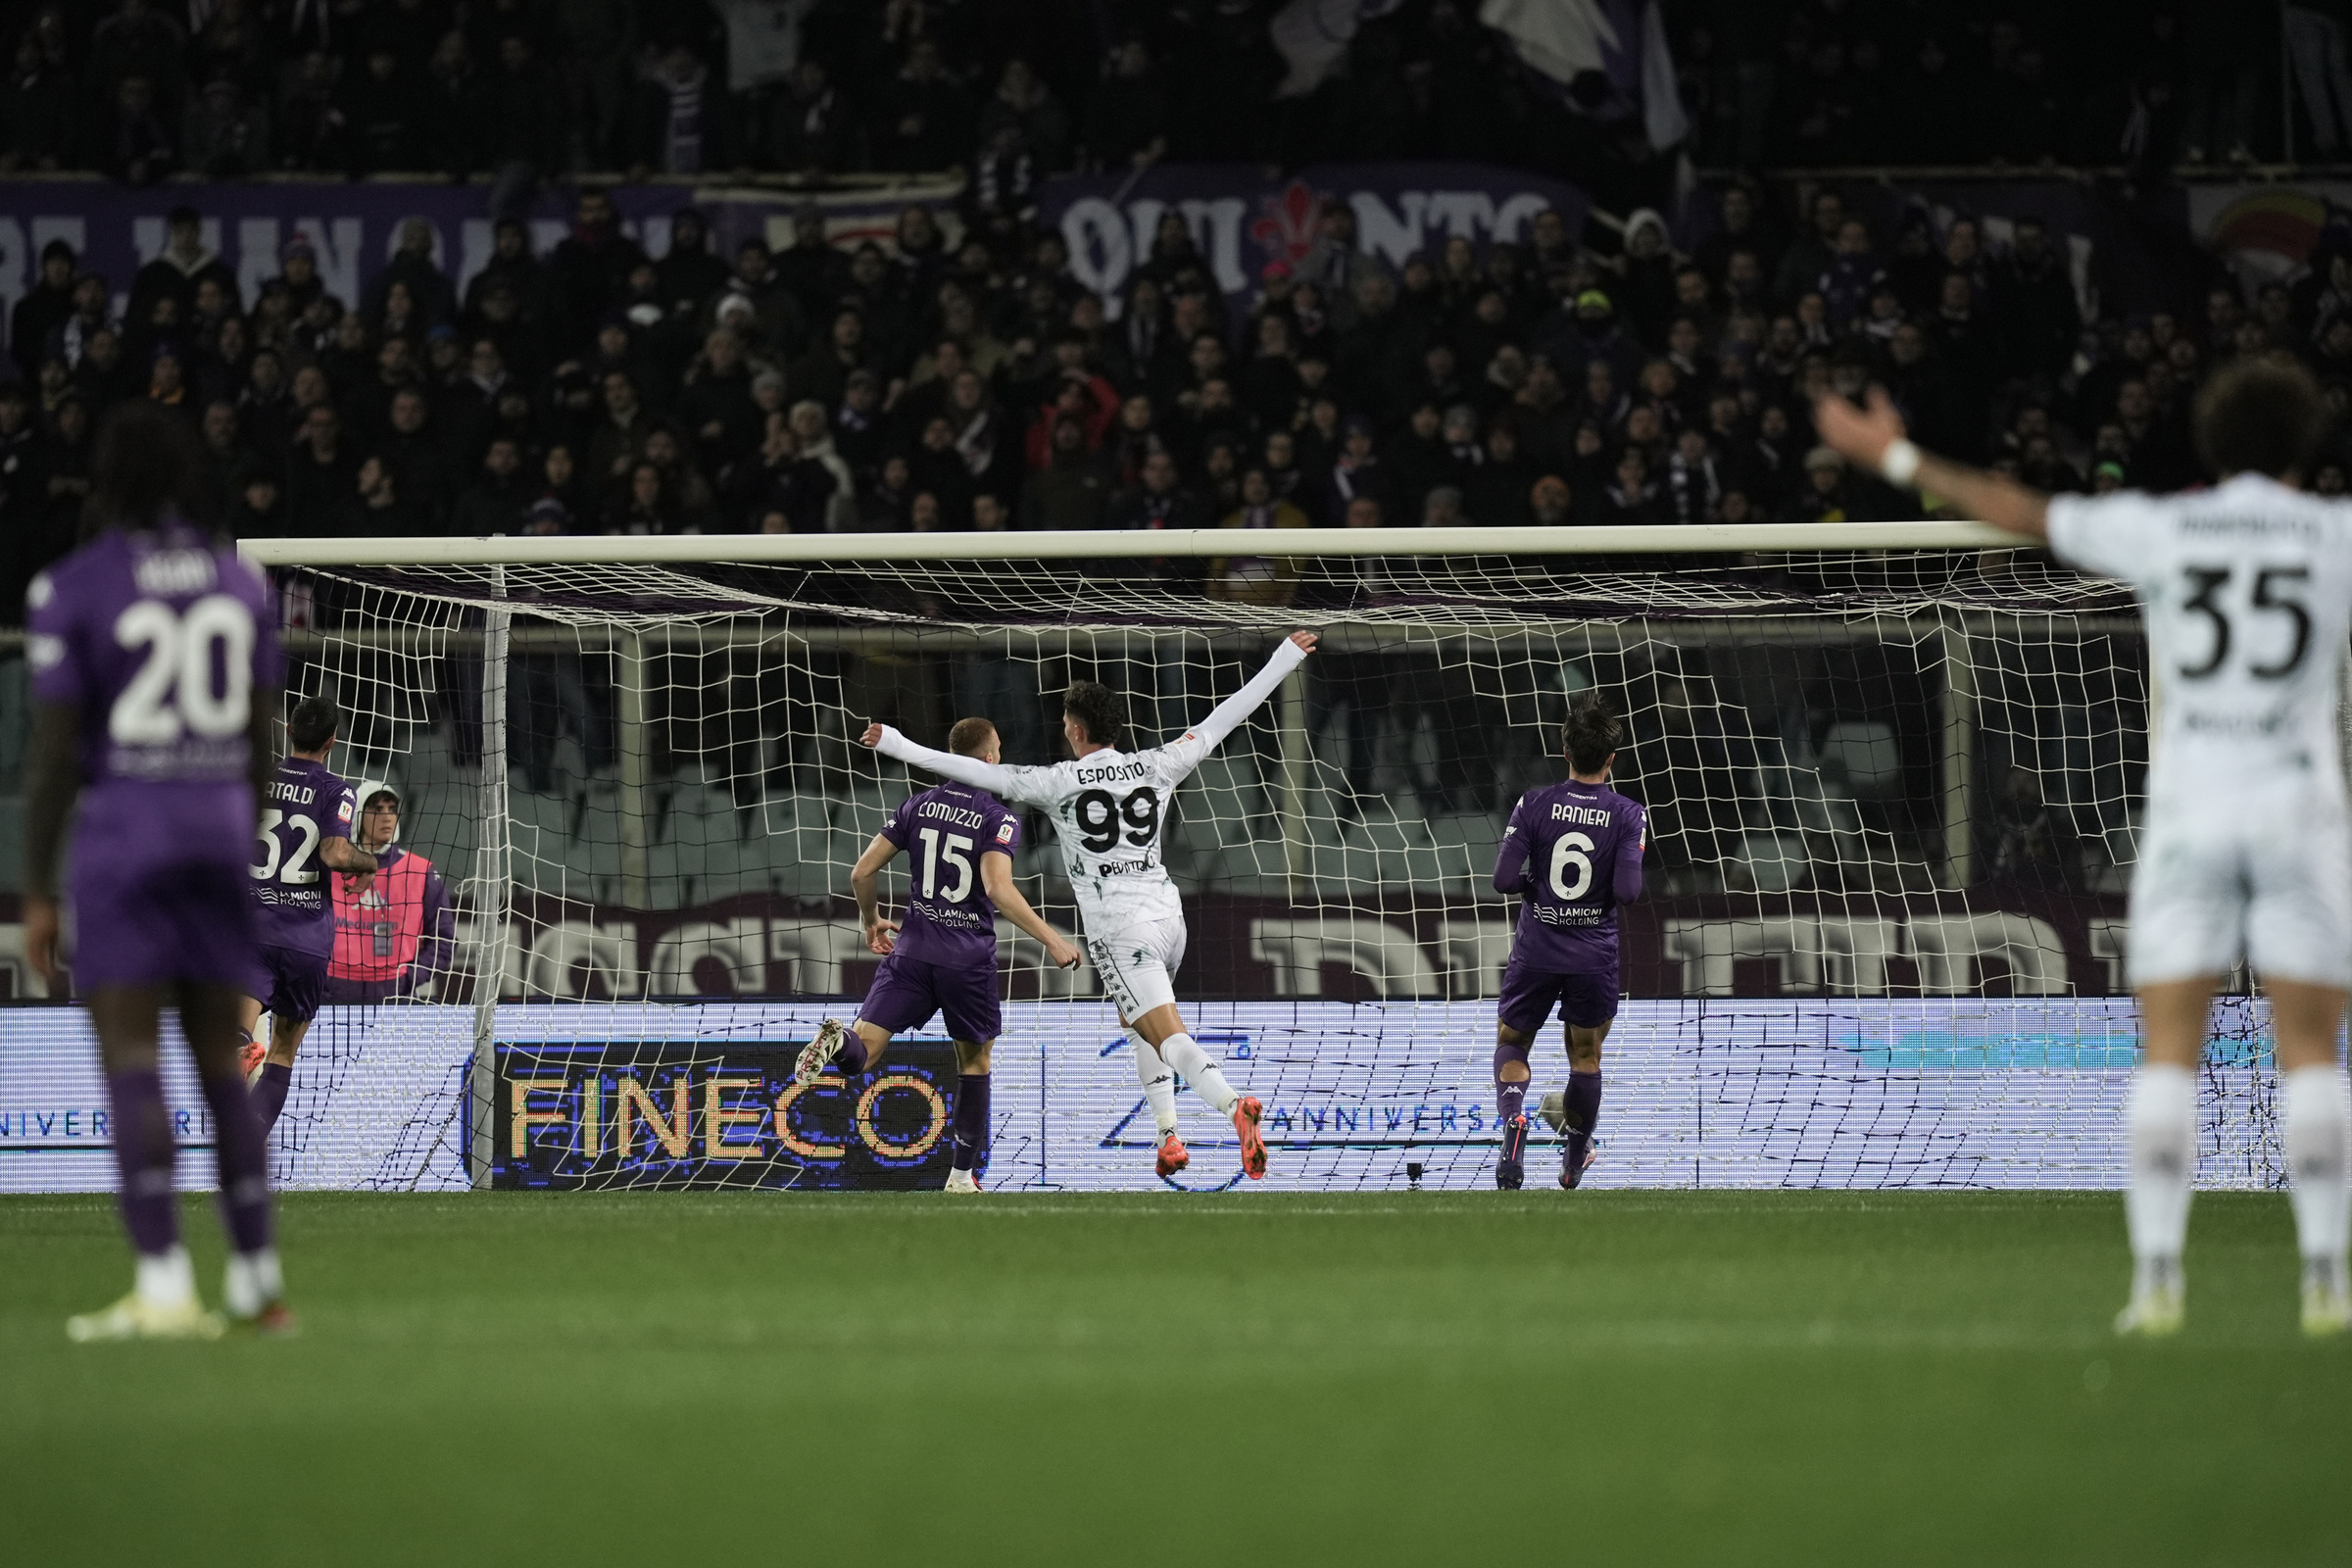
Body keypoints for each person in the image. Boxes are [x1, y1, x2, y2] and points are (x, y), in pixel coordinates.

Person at [1815, 357, 2352, 1338]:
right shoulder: (2335, 535)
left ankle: (2156, 1284)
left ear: (2210, 444)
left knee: (2169, 1054)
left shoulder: (2168, 529)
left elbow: (2017, 507)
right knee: (2312, 1051)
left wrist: (1890, 452)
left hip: (2192, 815)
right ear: (2308, 447)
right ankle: (2325, 1279)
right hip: (2298, 813)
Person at [863, 632, 1321, 1181]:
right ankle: (1167, 1135)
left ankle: (1231, 1104)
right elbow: (1229, 713)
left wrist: (895, 742)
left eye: (1063, 724)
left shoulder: (1057, 781)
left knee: (1166, 1034)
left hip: (1118, 928)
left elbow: (973, 771)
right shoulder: (1159, 763)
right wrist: (1285, 657)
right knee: (1137, 1021)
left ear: (1077, 731)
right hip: (1168, 918)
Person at [23, 402, 288, 1338]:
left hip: (124, 842)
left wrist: (38, 889)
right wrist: (230, 830)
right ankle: (258, 1281)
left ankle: (165, 1286)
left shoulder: (72, 588)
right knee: (224, 1060)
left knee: (135, 1059)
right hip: (219, 834)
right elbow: (261, 742)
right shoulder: (242, 581)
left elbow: (54, 758)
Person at [796, 718, 1082, 1193]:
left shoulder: (917, 805)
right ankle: (961, 1178)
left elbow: (861, 873)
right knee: (974, 1063)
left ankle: (835, 1039)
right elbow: (997, 888)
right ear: (991, 759)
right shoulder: (997, 816)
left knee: (863, 1053)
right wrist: (1051, 939)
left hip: (911, 952)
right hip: (966, 960)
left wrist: (871, 921)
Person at [1491, 696, 1647, 1191]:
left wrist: (1537, 887)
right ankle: (1575, 1156)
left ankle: (1514, 1118)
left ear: (1565, 752)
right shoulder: (1629, 814)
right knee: (1585, 1057)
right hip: (1591, 956)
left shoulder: (1533, 803)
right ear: (1611, 759)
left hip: (1536, 948)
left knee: (1513, 1041)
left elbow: (1501, 879)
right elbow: (1627, 892)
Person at [237, 694, 378, 1141]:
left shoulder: (256, 779)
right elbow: (336, 853)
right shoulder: (337, 789)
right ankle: (246, 1151)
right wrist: (369, 865)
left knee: (238, 1032)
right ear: (332, 742)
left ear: (288, 732)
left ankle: (238, 1050)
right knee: (282, 1051)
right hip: (307, 940)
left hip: (254, 927)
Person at [324, 782, 454, 1004]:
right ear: (357, 816)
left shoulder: (421, 871)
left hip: (396, 996)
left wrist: (408, 979)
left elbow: (444, 940)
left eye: (392, 809)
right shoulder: (329, 867)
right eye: (377, 809)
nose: (387, 817)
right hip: (332, 995)